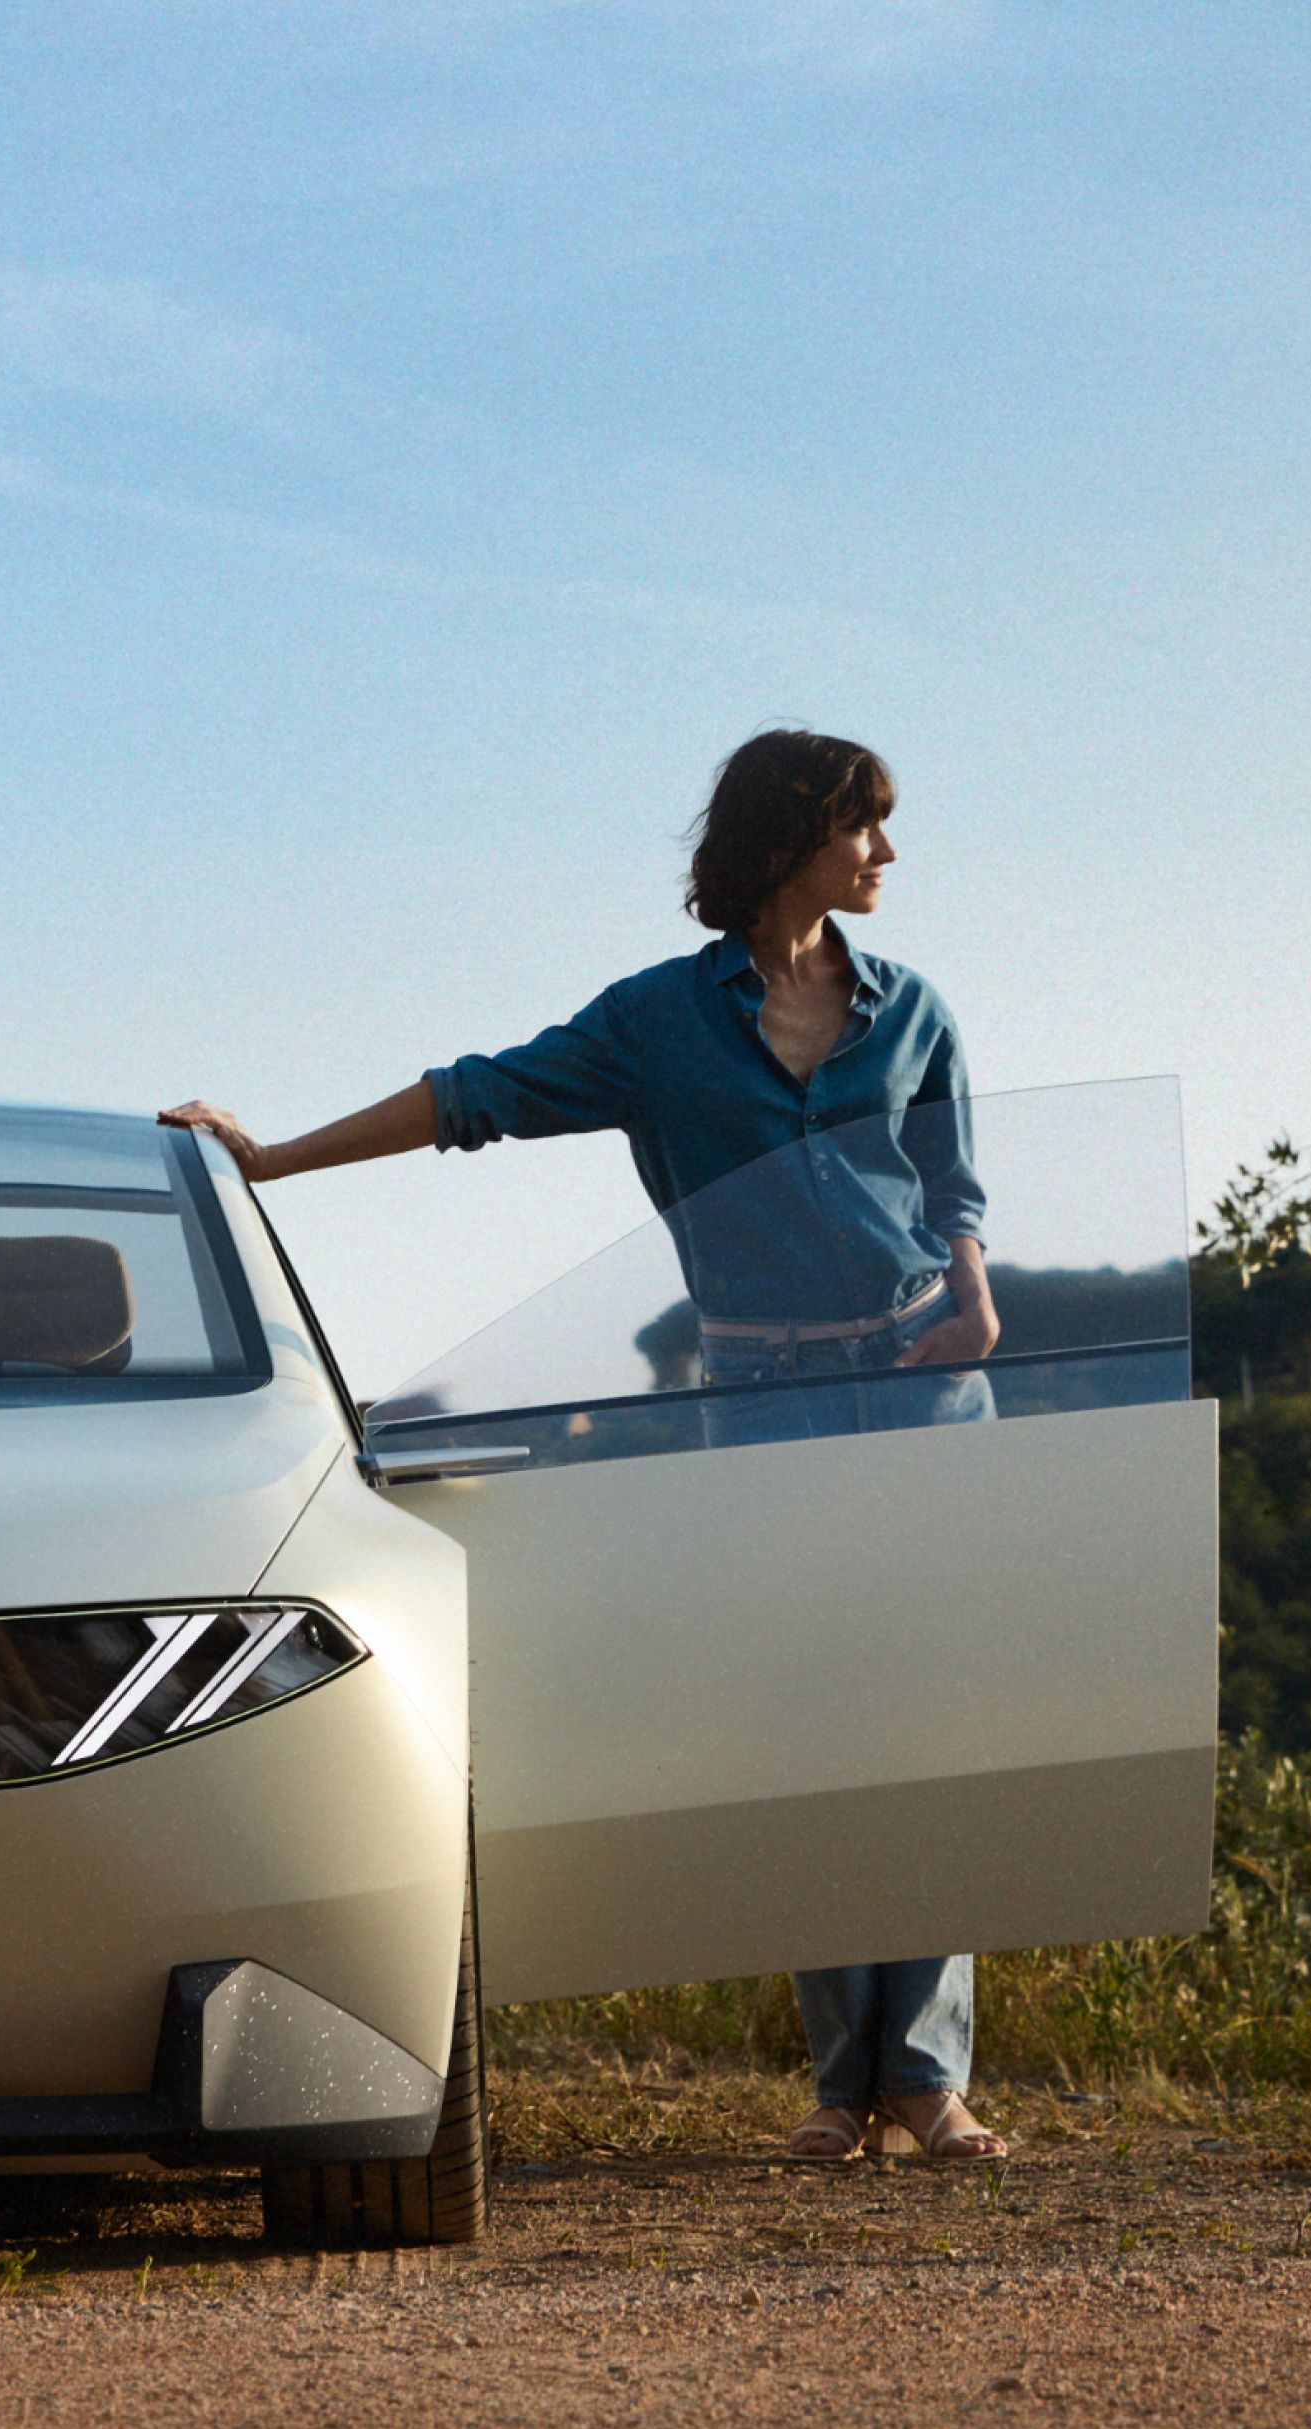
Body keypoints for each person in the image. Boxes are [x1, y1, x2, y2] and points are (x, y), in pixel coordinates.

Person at [162, 727, 1009, 2165]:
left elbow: (952, 1180)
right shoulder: (656, 1025)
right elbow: (474, 1096)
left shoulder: (911, 1008)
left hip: (922, 1389)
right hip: (755, 1402)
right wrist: (277, 1157)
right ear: (794, 835)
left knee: (919, 1727)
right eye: (866, 827)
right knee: (804, 1729)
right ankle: (836, 2085)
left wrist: (976, 1280)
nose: (885, 856)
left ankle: (926, 2080)